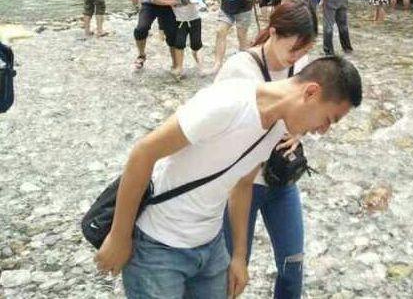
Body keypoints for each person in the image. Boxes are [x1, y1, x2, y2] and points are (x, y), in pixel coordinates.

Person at [95, 57, 363, 299]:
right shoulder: (228, 103)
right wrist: (119, 236)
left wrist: (238, 257)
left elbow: (243, 185)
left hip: (210, 246)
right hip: (158, 247)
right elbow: (144, 153)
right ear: (311, 92)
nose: (323, 130)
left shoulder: (277, 127)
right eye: (328, 119)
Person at [217, 1, 318, 298]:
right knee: (234, 271)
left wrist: (298, 131)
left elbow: (313, 111)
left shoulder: (303, 66)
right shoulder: (239, 69)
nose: (297, 56)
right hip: (241, 186)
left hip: (282, 181)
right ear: (273, 32)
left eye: (304, 49)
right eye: (293, 49)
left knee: (292, 267)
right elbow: (216, 130)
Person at [152, 0, 203, 78]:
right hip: (180, 22)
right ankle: (179, 67)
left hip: (195, 20)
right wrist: (170, 2)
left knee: (196, 45)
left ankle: (200, 66)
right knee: (179, 44)